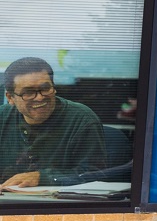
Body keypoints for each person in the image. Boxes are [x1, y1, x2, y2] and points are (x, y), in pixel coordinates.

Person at [0, 57, 108, 189]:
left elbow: (95, 174)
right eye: (28, 92)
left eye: (45, 88)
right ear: (10, 98)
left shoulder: (83, 120)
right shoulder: (2, 118)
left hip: (59, 204)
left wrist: (43, 177)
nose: (39, 97)